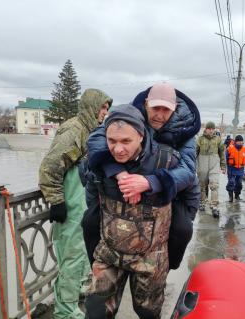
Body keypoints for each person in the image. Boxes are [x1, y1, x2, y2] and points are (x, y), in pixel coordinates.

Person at [83, 82, 201, 271]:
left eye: (166, 110)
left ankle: (167, 267)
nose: (159, 115)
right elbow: (97, 140)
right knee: (90, 221)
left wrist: (151, 182)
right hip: (126, 180)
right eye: (155, 108)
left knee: (182, 228)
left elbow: (188, 170)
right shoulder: (130, 114)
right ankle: (95, 267)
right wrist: (118, 173)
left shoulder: (185, 129)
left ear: (175, 108)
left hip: (164, 186)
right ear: (146, 104)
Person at [84, 104, 180, 318]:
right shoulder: (100, 159)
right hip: (109, 252)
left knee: (148, 312)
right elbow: (90, 195)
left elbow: (187, 194)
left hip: (150, 258)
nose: (118, 149)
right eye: (112, 141)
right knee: (95, 311)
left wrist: (151, 183)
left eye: (126, 141)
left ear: (141, 136)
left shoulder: (167, 159)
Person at [38, 89, 112, 319]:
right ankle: (65, 310)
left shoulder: (90, 131)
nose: (105, 113)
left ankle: (76, 291)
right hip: (69, 207)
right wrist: (56, 201)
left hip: (81, 205)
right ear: (91, 106)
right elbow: (49, 168)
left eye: (107, 109)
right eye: (102, 108)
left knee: (80, 254)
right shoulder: (75, 130)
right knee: (70, 258)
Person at [196, 121, 226, 217]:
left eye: (213, 129)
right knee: (202, 185)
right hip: (202, 163)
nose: (211, 130)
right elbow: (194, 152)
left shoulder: (218, 139)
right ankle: (202, 202)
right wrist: (192, 165)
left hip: (214, 163)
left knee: (214, 184)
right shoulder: (200, 139)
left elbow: (222, 153)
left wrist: (223, 165)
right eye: (209, 129)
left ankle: (214, 206)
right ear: (206, 129)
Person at [226, 135, 245, 202]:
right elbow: (225, 158)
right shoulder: (229, 148)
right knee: (231, 182)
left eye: (241, 141)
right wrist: (223, 167)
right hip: (231, 169)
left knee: (239, 184)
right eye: (239, 141)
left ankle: (237, 195)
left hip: (240, 169)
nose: (241, 143)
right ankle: (230, 196)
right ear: (236, 142)